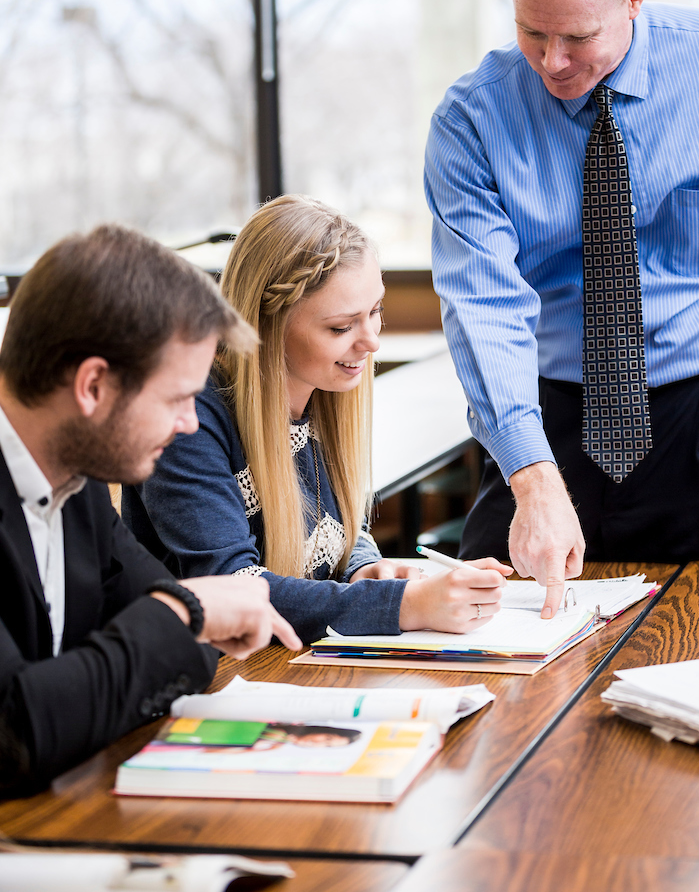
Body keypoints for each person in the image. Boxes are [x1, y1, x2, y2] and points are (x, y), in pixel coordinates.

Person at [425, 0, 699, 619]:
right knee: (490, 635)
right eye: (532, 32)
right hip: (548, 416)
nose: (553, 62)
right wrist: (532, 478)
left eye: (577, 36)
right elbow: (483, 304)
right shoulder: (472, 120)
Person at [123, 195, 510, 642]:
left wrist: (363, 563)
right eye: (341, 328)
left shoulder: (323, 388)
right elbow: (232, 588)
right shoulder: (187, 422)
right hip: (217, 676)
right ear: (267, 325)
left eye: (376, 312)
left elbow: (333, 523)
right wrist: (406, 604)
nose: (371, 342)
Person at [0, 224, 301, 796]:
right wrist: (182, 614)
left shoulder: (78, 475)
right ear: (94, 386)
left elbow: (186, 646)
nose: (191, 422)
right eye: (178, 397)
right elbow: (14, 732)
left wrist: (179, 617)